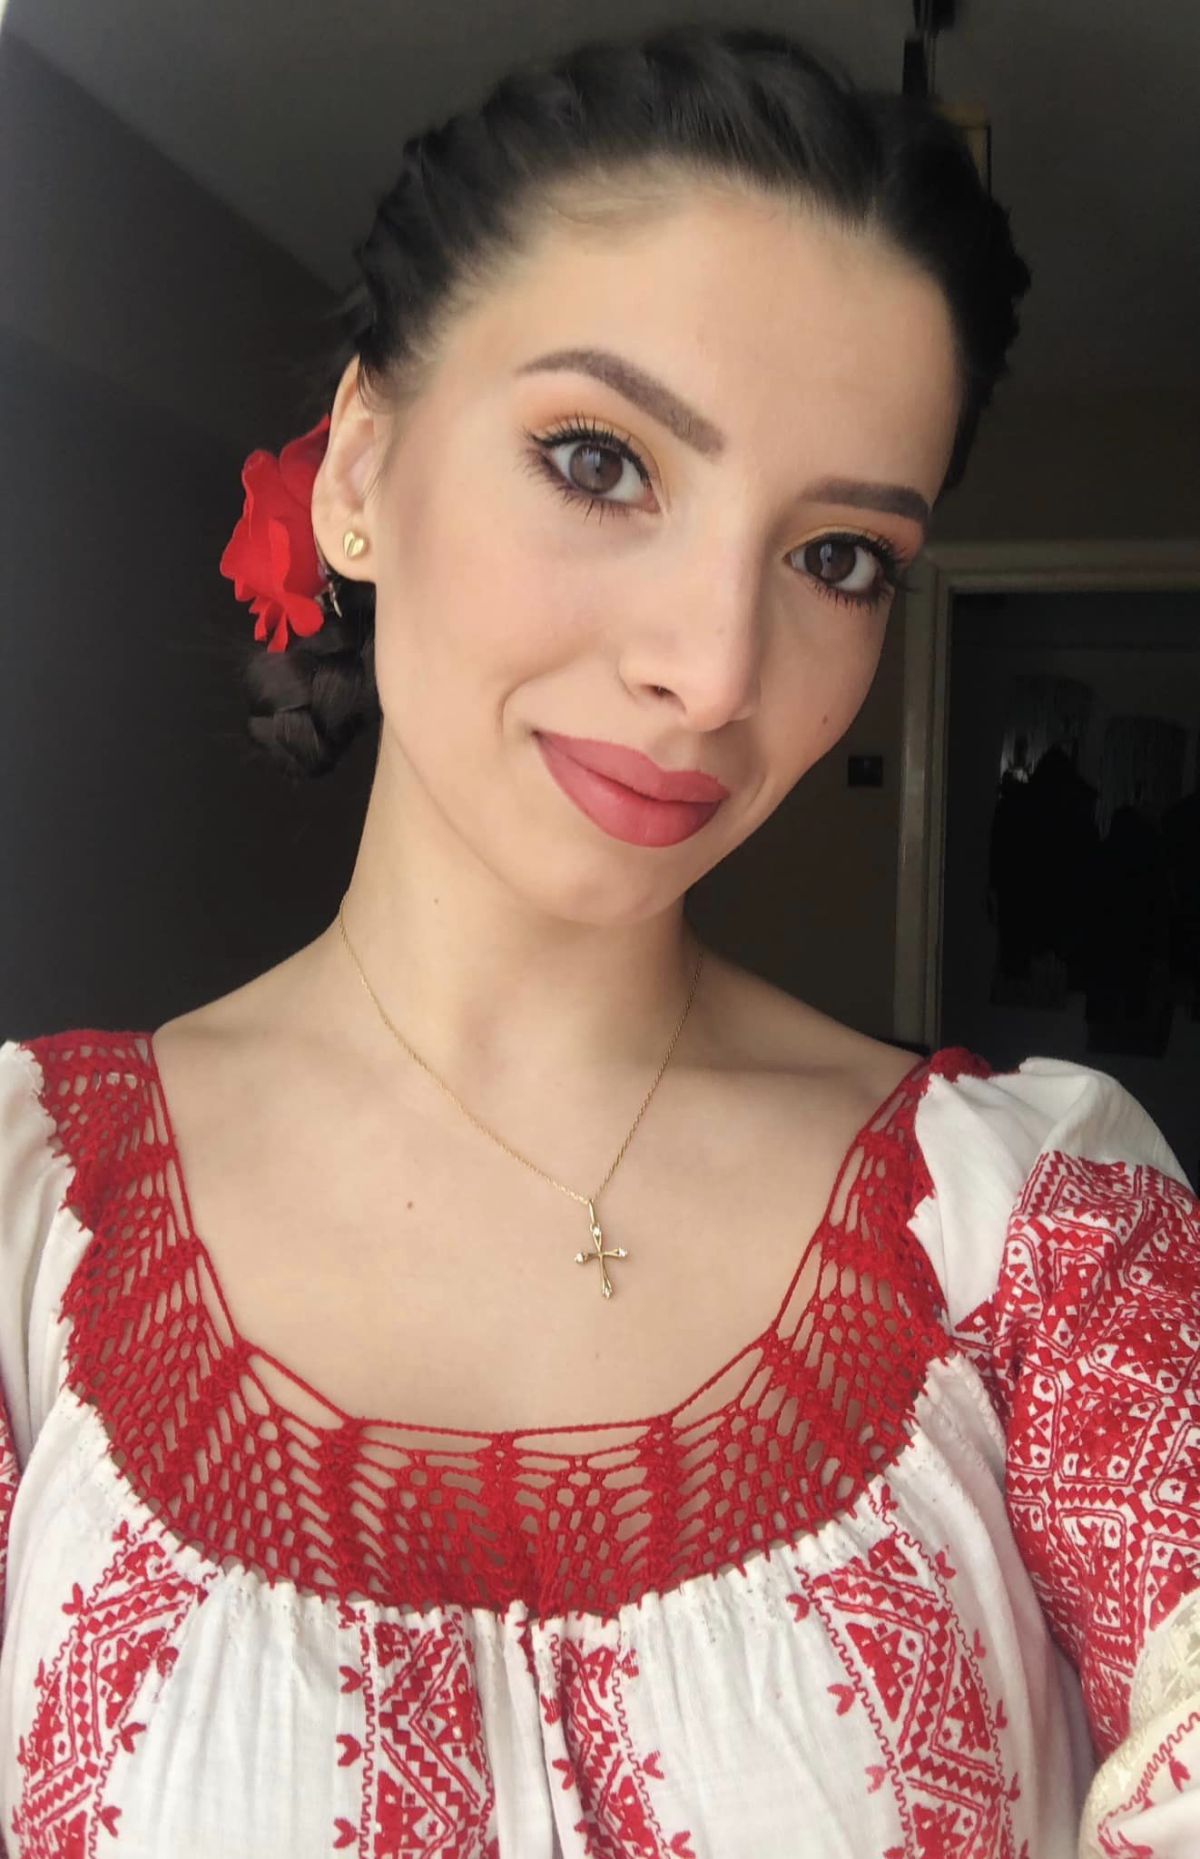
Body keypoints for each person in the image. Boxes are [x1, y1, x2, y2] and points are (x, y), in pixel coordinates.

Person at [1, 21, 1196, 1858]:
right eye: (598, 458)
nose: (713, 671)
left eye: (840, 558)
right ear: (358, 472)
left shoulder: (1034, 1239)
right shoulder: (30, 1225)